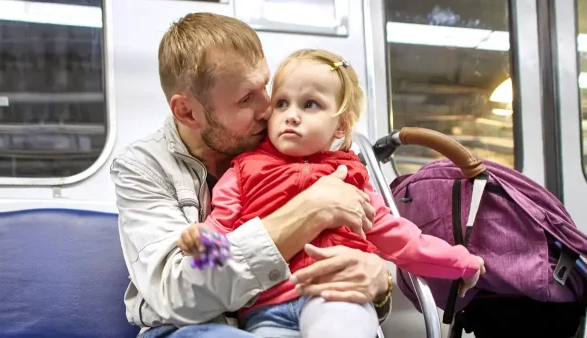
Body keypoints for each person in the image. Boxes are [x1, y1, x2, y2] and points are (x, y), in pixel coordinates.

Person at [110, 13, 393, 338]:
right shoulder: (142, 166)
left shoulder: (289, 143)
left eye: (265, 87)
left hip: (293, 312)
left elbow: (366, 240)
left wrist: (379, 281)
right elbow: (179, 296)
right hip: (196, 327)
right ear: (188, 112)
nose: (269, 108)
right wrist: (309, 209)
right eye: (246, 98)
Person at [177, 49, 486, 337]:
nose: (291, 115)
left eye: (310, 104)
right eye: (281, 103)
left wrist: (462, 261)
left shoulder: (351, 178)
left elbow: (402, 239)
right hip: (266, 309)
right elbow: (223, 228)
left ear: (340, 126)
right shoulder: (242, 171)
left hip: (335, 293)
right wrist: (202, 240)